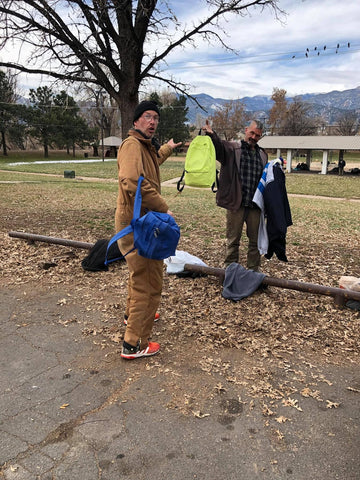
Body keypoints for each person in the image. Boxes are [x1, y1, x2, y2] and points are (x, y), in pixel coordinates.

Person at [115, 100, 181, 360]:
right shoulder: (132, 146)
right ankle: (135, 343)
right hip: (138, 226)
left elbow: (152, 163)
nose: (153, 121)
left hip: (137, 223)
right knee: (149, 283)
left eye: (156, 118)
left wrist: (168, 148)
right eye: (148, 117)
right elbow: (132, 180)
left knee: (138, 275)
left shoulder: (143, 146)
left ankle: (132, 315)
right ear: (136, 121)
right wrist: (164, 208)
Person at [202, 119, 268, 271]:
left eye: (257, 135)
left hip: (255, 206)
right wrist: (212, 135)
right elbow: (218, 149)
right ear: (246, 130)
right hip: (236, 203)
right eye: (251, 133)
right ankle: (230, 270)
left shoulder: (262, 155)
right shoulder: (233, 149)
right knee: (233, 240)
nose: (253, 137)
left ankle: (253, 270)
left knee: (255, 241)